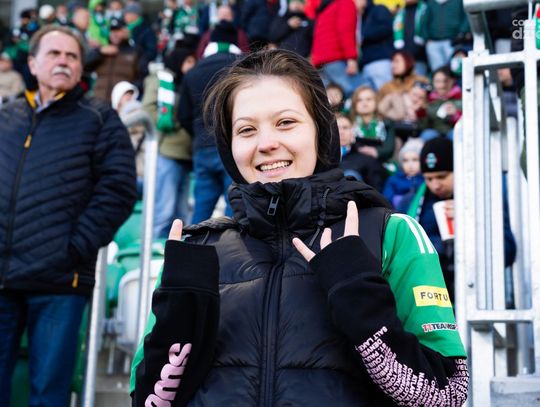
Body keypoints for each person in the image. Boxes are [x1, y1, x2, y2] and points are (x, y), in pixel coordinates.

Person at [131, 49, 469, 406]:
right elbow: (147, 401)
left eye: (285, 122)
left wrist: (359, 298)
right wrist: (176, 327)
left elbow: (446, 396)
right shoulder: (198, 250)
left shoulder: (390, 233)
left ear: (321, 130)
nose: (266, 144)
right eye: (246, 129)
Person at [0, 25, 137, 406]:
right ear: (32, 63)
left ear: (80, 67)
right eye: (54, 54)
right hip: (2, 278)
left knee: (49, 394)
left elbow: (119, 190)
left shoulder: (100, 118)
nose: (63, 61)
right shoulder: (6, 116)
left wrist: (74, 248)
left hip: (59, 281)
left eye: (72, 56)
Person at [398, 137, 516, 300]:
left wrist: (471, 219)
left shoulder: (483, 198)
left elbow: (507, 253)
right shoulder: (410, 202)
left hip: (473, 296)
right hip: (429, 298)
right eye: (429, 178)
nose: (435, 185)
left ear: (458, 170)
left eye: (442, 176)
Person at [383, 137, 424, 208]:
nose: (410, 165)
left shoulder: (426, 180)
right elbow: (386, 202)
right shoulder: (394, 180)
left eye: (415, 160)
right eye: (405, 160)